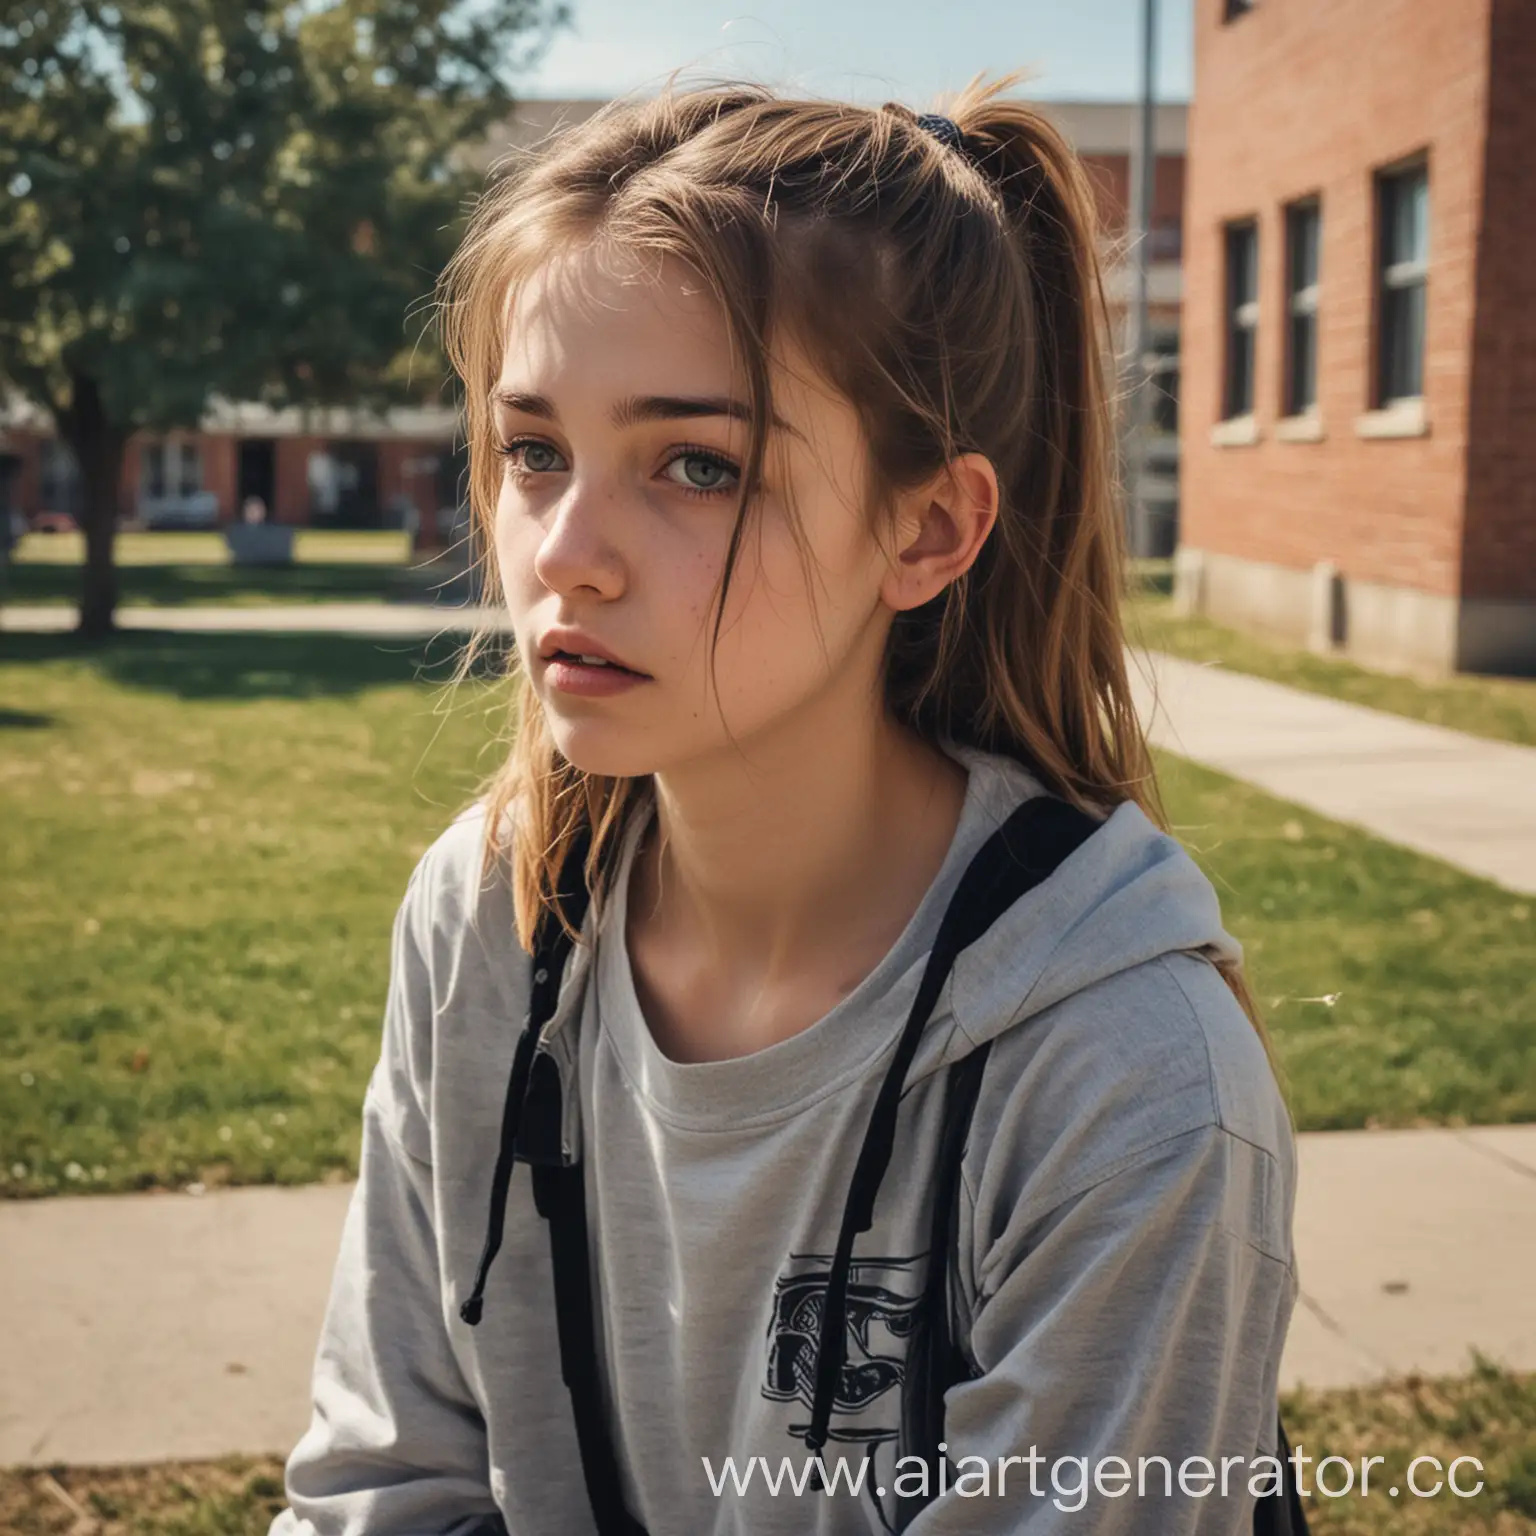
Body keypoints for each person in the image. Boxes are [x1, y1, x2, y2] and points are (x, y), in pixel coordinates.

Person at [271, 74, 1299, 1536]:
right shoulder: (486, 919)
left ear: (928, 528)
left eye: (698, 465)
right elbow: (384, 1489)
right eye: (534, 451)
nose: (566, 552)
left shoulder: (1126, 1078)